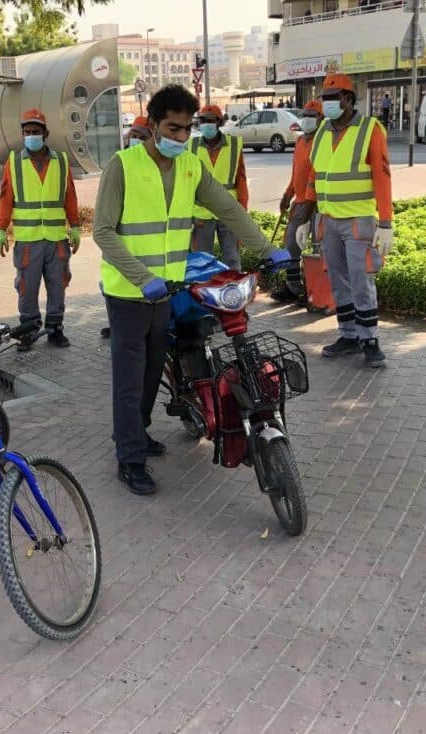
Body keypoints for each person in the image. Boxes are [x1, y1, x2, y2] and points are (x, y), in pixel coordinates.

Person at [93, 84, 290, 495]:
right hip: (129, 294)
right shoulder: (122, 165)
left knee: (152, 373)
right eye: (173, 128)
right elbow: (103, 231)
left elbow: (228, 208)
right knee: (130, 379)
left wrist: (266, 248)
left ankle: (138, 432)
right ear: (150, 125)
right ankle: (129, 458)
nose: (182, 137)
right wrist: (140, 278)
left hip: (166, 291)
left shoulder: (190, 166)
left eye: (188, 129)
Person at [296, 71, 394, 367]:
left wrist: (386, 223)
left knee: (361, 281)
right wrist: (304, 218)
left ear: (348, 100)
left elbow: (382, 176)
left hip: (358, 221)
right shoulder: (322, 133)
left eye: (332, 98)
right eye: (324, 99)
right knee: (338, 281)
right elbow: (315, 179)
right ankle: (348, 335)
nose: (326, 104)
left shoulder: (369, 129)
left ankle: (370, 339)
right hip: (328, 221)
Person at [0, 109, 81, 350]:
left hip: (57, 240)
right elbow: (5, 198)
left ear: (46, 133)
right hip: (28, 241)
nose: (31, 136)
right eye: (27, 132)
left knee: (58, 286)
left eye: (35, 132)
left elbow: (70, 197)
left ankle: (55, 329)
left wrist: (75, 227)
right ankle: (29, 331)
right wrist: (1, 229)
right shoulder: (13, 162)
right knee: (27, 289)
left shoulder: (62, 162)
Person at [101, 116, 152, 340]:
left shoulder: (157, 167)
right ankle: (116, 327)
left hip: (148, 245)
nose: (137, 140)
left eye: (143, 137)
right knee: (116, 289)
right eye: (134, 136)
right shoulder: (118, 163)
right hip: (120, 242)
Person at [273, 99, 323, 304]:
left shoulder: (323, 141)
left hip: (318, 203)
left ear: (320, 119)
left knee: (317, 248)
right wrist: (288, 194)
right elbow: (297, 173)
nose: (307, 119)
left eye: (312, 116)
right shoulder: (301, 142)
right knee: (291, 243)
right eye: (305, 115)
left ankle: (316, 291)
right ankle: (294, 287)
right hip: (300, 201)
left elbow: (314, 174)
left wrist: (308, 204)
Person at [188, 104, 248, 270]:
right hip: (201, 213)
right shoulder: (190, 146)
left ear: (219, 122)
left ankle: (234, 292)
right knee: (201, 260)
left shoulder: (234, 145)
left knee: (232, 258)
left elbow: (241, 181)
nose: (206, 124)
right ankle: (202, 293)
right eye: (203, 120)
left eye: (210, 120)